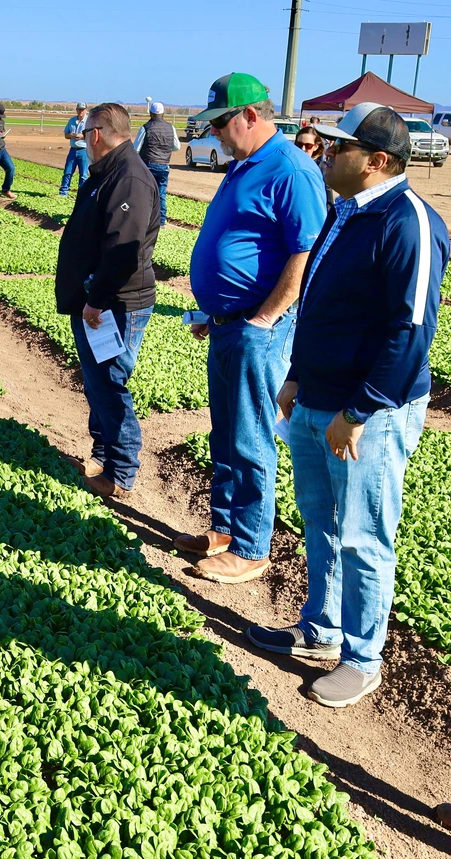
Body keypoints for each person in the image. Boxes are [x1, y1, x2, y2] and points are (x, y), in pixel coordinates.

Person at [246, 104, 449, 708]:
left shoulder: (408, 221)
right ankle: (320, 630)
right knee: (320, 521)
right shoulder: (346, 211)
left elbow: (409, 333)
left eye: (341, 147)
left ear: (378, 161)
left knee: (363, 536)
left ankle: (363, 659)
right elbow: (321, 304)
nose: (326, 152)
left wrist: (359, 412)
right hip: (316, 398)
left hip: (366, 415)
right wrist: (298, 377)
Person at [175, 73, 327, 584]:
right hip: (228, 325)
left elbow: (306, 252)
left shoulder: (291, 168)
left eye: (221, 122)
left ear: (251, 116)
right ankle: (223, 529)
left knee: (251, 435)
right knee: (226, 432)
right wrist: (214, 311)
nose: (215, 132)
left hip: (258, 328)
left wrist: (264, 317)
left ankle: (251, 547)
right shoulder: (242, 164)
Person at [55, 103, 161, 498]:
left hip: (116, 303)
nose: (83, 139)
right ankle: (101, 455)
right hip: (99, 301)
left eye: (85, 132)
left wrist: (96, 300)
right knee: (97, 383)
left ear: (96, 133)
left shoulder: (129, 177)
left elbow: (123, 251)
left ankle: (121, 473)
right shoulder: (110, 171)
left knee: (110, 384)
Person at [134, 101, 180, 226]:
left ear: (151, 114)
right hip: (164, 164)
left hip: (148, 165)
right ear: (163, 114)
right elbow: (176, 147)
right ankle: (161, 221)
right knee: (161, 193)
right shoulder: (171, 128)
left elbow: (136, 148)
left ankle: (146, 219)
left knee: (146, 193)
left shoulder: (145, 127)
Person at [295, 124, 332, 205]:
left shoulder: (322, 168)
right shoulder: (288, 165)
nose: (303, 149)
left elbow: (328, 200)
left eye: (308, 146)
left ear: (315, 147)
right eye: (299, 145)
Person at [59, 101, 90, 197]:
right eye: (79, 109)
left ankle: (82, 195)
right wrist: (71, 135)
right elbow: (66, 135)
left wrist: (83, 136)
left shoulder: (89, 122)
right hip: (73, 150)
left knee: (83, 174)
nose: (80, 111)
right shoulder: (72, 121)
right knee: (67, 172)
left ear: (86, 110)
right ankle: (63, 193)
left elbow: (93, 135)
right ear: (76, 110)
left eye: (82, 109)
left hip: (84, 151)